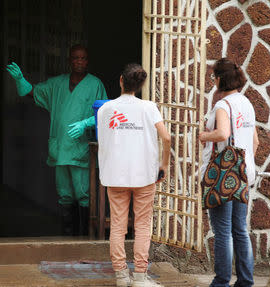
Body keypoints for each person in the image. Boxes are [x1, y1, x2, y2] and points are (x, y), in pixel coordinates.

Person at [5, 45, 107, 235]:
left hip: (81, 150)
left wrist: (85, 123)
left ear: (88, 61)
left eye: (83, 58)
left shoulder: (95, 84)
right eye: (75, 58)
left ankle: (84, 236)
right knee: (65, 195)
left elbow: (105, 113)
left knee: (83, 194)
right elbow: (33, 92)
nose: (79, 61)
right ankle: (67, 236)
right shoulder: (57, 84)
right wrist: (20, 79)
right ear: (69, 60)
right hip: (60, 149)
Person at [97, 63, 170, 287]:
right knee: (142, 225)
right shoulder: (149, 108)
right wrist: (163, 165)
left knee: (118, 225)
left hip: (115, 175)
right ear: (141, 85)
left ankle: (121, 276)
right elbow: (166, 138)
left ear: (121, 80)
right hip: (144, 174)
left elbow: (105, 139)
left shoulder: (105, 109)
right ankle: (139, 276)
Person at [199, 58, 259, 287]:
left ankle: (221, 281)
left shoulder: (223, 106)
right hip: (244, 173)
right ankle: (245, 280)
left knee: (223, 231)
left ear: (220, 79)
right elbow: (254, 142)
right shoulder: (246, 103)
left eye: (213, 76)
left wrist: (204, 136)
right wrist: (243, 165)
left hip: (223, 176)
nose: (212, 80)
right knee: (240, 230)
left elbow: (223, 134)